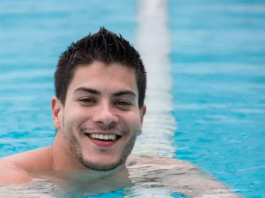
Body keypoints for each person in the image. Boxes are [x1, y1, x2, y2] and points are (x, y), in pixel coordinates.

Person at [0, 27, 243, 198]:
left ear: (141, 117)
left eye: (122, 103)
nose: (106, 116)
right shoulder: (11, 180)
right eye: (87, 99)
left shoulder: (163, 172)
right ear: (57, 112)